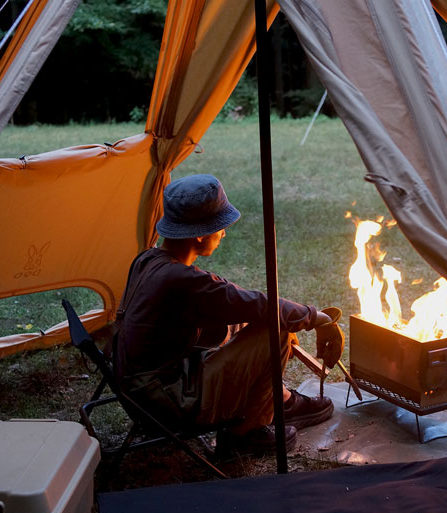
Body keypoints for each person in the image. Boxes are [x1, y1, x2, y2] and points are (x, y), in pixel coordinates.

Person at [114, 174, 344, 454]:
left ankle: (278, 401)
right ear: (200, 233)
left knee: (264, 323)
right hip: (167, 403)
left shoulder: (148, 259)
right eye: (220, 227)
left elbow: (231, 309)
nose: (223, 233)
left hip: (141, 394)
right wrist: (317, 318)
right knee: (276, 329)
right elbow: (257, 304)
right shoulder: (182, 280)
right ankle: (244, 433)